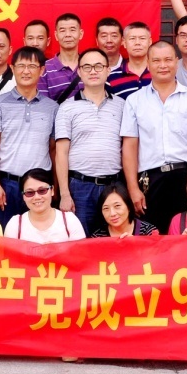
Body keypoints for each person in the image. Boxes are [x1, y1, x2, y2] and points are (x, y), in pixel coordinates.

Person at [121, 41, 187, 234]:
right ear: (148, 64)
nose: (163, 65)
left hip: (185, 178)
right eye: (156, 61)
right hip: (149, 180)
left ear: (176, 62)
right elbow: (129, 147)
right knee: (153, 238)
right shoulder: (134, 100)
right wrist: (133, 188)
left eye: (168, 60)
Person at [54, 48, 126, 234]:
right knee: (81, 241)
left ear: (108, 70)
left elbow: (128, 148)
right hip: (80, 187)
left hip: (114, 185)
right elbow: (61, 152)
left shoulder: (122, 106)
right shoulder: (67, 107)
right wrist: (64, 194)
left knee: (114, 240)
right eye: (87, 67)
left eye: (98, 66)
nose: (93, 71)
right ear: (79, 72)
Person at [0, 47, 58, 226]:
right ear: (12, 68)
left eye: (32, 66)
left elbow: (53, 149)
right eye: (21, 66)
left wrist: (55, 186)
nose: (26, 71)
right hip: (7, 185)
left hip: (40, 187)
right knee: (5, 236)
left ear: (42, 70)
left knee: (39, 235)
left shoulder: (52, 107)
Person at [5, 169, 86, 243]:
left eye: (42, 191)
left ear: (52, 190)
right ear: (23, 196)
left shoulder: (69, 220)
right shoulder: (15, 224)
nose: (37, 197)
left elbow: (80, 252)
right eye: (30, 193)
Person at [39, 13, 84, 103]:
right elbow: (44, 106)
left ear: (81, 34)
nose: (68, 34)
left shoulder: (90, 65)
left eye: (72, 30)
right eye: (62, 31)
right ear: (56, 35)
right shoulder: (45, 69)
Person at [90, 183, 159, 237]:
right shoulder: (98, 237)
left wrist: (136, 243)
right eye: (106, 208)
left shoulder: (148, 231)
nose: (112, 213)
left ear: (128, 206)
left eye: (117, 206)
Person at [106, 21, 153, 97]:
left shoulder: (160, 72)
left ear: (150, 42)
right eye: (132, 38)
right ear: (124, 43)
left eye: (142, 38)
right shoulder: (111, 78)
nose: (137, 43)